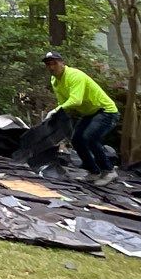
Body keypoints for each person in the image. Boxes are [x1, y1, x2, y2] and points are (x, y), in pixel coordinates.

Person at [42, 51, 120, 185]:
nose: (51, 67)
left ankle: (109, 171)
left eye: (54, 63)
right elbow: (63, 104)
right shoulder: (55, 80)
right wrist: (55, 118)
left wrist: (55, 110)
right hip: (90, 113)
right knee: (77, 140)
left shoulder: (74, 75)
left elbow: (76, 100)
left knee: (90, 138)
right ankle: (93, 172)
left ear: (62, 63)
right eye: (48, 64)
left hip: (106, 111)